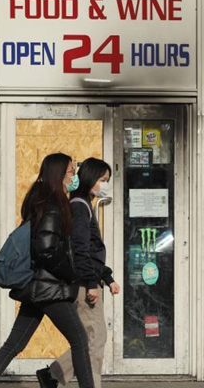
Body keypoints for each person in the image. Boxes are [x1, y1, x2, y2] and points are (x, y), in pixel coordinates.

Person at [0, 153, 95, 388]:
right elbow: (47, 250)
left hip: (37, 286)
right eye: (71, 172)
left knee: (14, 344)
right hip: (50, 287)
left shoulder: (43, 203)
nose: (73, 176)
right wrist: (71, 275)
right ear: (59, 175)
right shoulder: (53, 207)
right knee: (80, 340)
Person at [37, 158, 121, 388]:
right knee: (95, 339)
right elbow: (80, 248)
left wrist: (107, 277)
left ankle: (53, 374)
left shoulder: (82, 204)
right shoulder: (80, 206)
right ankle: (81, 382)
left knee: (88, 339)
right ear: (91, 178)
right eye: (102, 180)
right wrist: (92, 282)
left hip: (88, 280)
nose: (105, 185)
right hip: (85, 284)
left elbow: (90, 249)